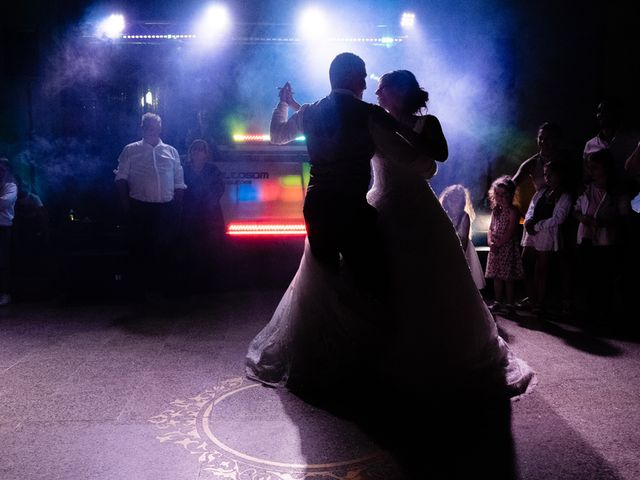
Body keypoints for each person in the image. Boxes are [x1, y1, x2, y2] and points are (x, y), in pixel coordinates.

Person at [114, 112, 186, 301]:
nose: (152, 130)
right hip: (141, 209)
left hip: (166, 209)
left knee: (167, 251)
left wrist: (176, 208)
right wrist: (125, 205)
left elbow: (179, 182)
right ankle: (140, 294)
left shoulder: (171, 151)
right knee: (141, 251)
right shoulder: (130, 150)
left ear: (160, 128)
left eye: (155, 126)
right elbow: (120, 179)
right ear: (142, 128)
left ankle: (166, 293)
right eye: (148, 126)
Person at [520, 161, 572, 315]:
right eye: (545, 174)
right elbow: (531, 208)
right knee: (525, 264)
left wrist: (537, 226)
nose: (547, 178)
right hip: (532, 232)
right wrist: (528, 221)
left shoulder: (564, 196)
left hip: (546, 233)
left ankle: (539, 302)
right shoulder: (541, 192)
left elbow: (558, 218)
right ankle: (531, 297)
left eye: (551, 174)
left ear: (560, 175)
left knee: (541, 270)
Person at [180, 139, 225, 291]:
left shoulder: (213, 170)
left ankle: (211, 286)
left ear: (207, 154)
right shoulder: (183, 170)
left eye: (202, 149)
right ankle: (191, 285)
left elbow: (219, 189)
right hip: (189, 216)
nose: (198, 152)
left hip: (210, 217)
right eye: (195, 149)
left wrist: (207, 203)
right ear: (190, 152)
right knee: (190, 250)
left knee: (211, 250)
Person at [485, 176, 524, 315]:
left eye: (504, 195)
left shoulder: (513, 211)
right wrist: (490, 242)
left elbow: (510, 231)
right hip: (495, 248)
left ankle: (510, 303)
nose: (500, 198)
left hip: (506, 247)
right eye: (497, 195)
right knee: (497, 276)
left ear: (511, 194)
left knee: (508, 277)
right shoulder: (496, 211)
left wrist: (499, 244)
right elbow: (490, 228)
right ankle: (498, 301)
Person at [439, 184, 486, 290]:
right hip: (447, 248)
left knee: (462, 277)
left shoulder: (464, 216)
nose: (455, 203)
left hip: (462, 249)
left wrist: (461, 256)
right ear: (447, 200)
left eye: (458, 200)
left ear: (462, 202)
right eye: (452, 200)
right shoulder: (443, 213)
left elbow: (464, 238)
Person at [0, 158, 18, 306]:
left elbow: (4, 202)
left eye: (2, 169)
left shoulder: (11, 186)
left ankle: (5, 293)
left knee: (3, 262)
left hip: (3, 228)